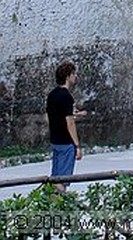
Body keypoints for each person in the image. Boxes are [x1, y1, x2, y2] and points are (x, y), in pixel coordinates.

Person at [46, 61, 86, 189]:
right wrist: (77, 145)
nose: (75, 76)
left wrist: (75, 115)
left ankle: (54, 201)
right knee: (62, 180)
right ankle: (62, 203)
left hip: (55, 140)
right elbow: (69, 123)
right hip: (66, 142)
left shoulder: (52, 95)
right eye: (73, 74)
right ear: (67, 76)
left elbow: (58, 116)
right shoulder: (66, 97)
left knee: (55, 177)